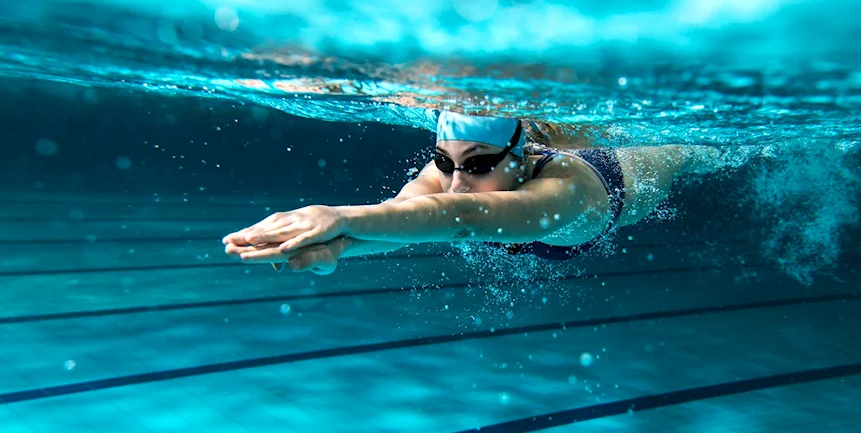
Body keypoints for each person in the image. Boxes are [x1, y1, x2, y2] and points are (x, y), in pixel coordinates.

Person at [222, 110, 709, 274]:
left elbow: (465, 217)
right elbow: (400, 218)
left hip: (629, 174)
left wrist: (337, 215)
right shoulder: (452, 178)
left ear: (519, 160)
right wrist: (336, 250)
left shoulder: (565, 192)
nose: (456, 182)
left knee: (689, 150)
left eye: (476, 165)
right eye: (443, 162)